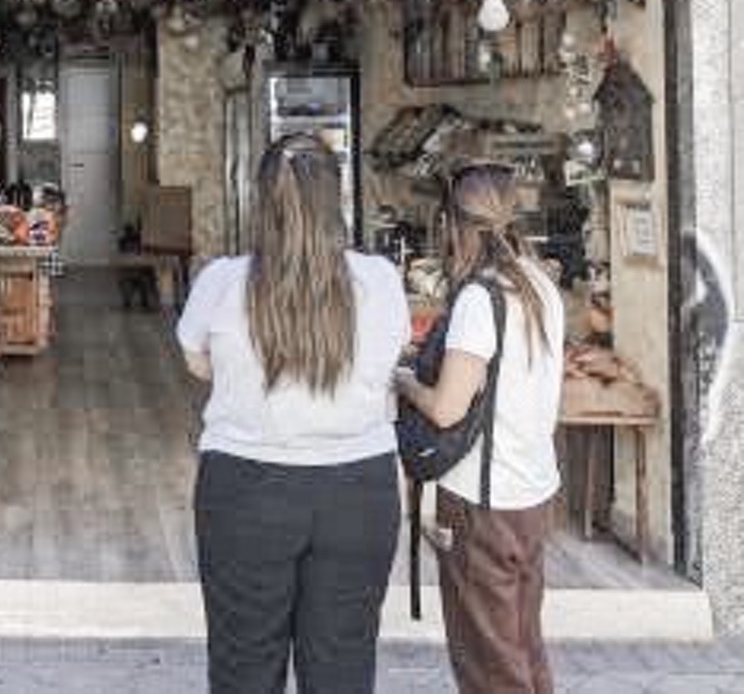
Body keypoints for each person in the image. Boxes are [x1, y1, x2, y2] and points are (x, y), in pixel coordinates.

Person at [177, 134, 408, 693]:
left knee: (244, 665)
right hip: (358, 490)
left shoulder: (222, 282)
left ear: (260, 202)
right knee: (343, 664)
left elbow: (199, 365)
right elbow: (391, 358)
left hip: (246, 489)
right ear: (338, 199)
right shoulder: (380, 280)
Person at [395, 163, 564, 694]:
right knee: (522, 645)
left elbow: (446, 409)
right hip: (533, 493)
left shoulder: (480, 298)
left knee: (488, 663)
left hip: (481, 503)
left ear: (454, 224)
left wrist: (404, 381)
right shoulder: (540, 284)